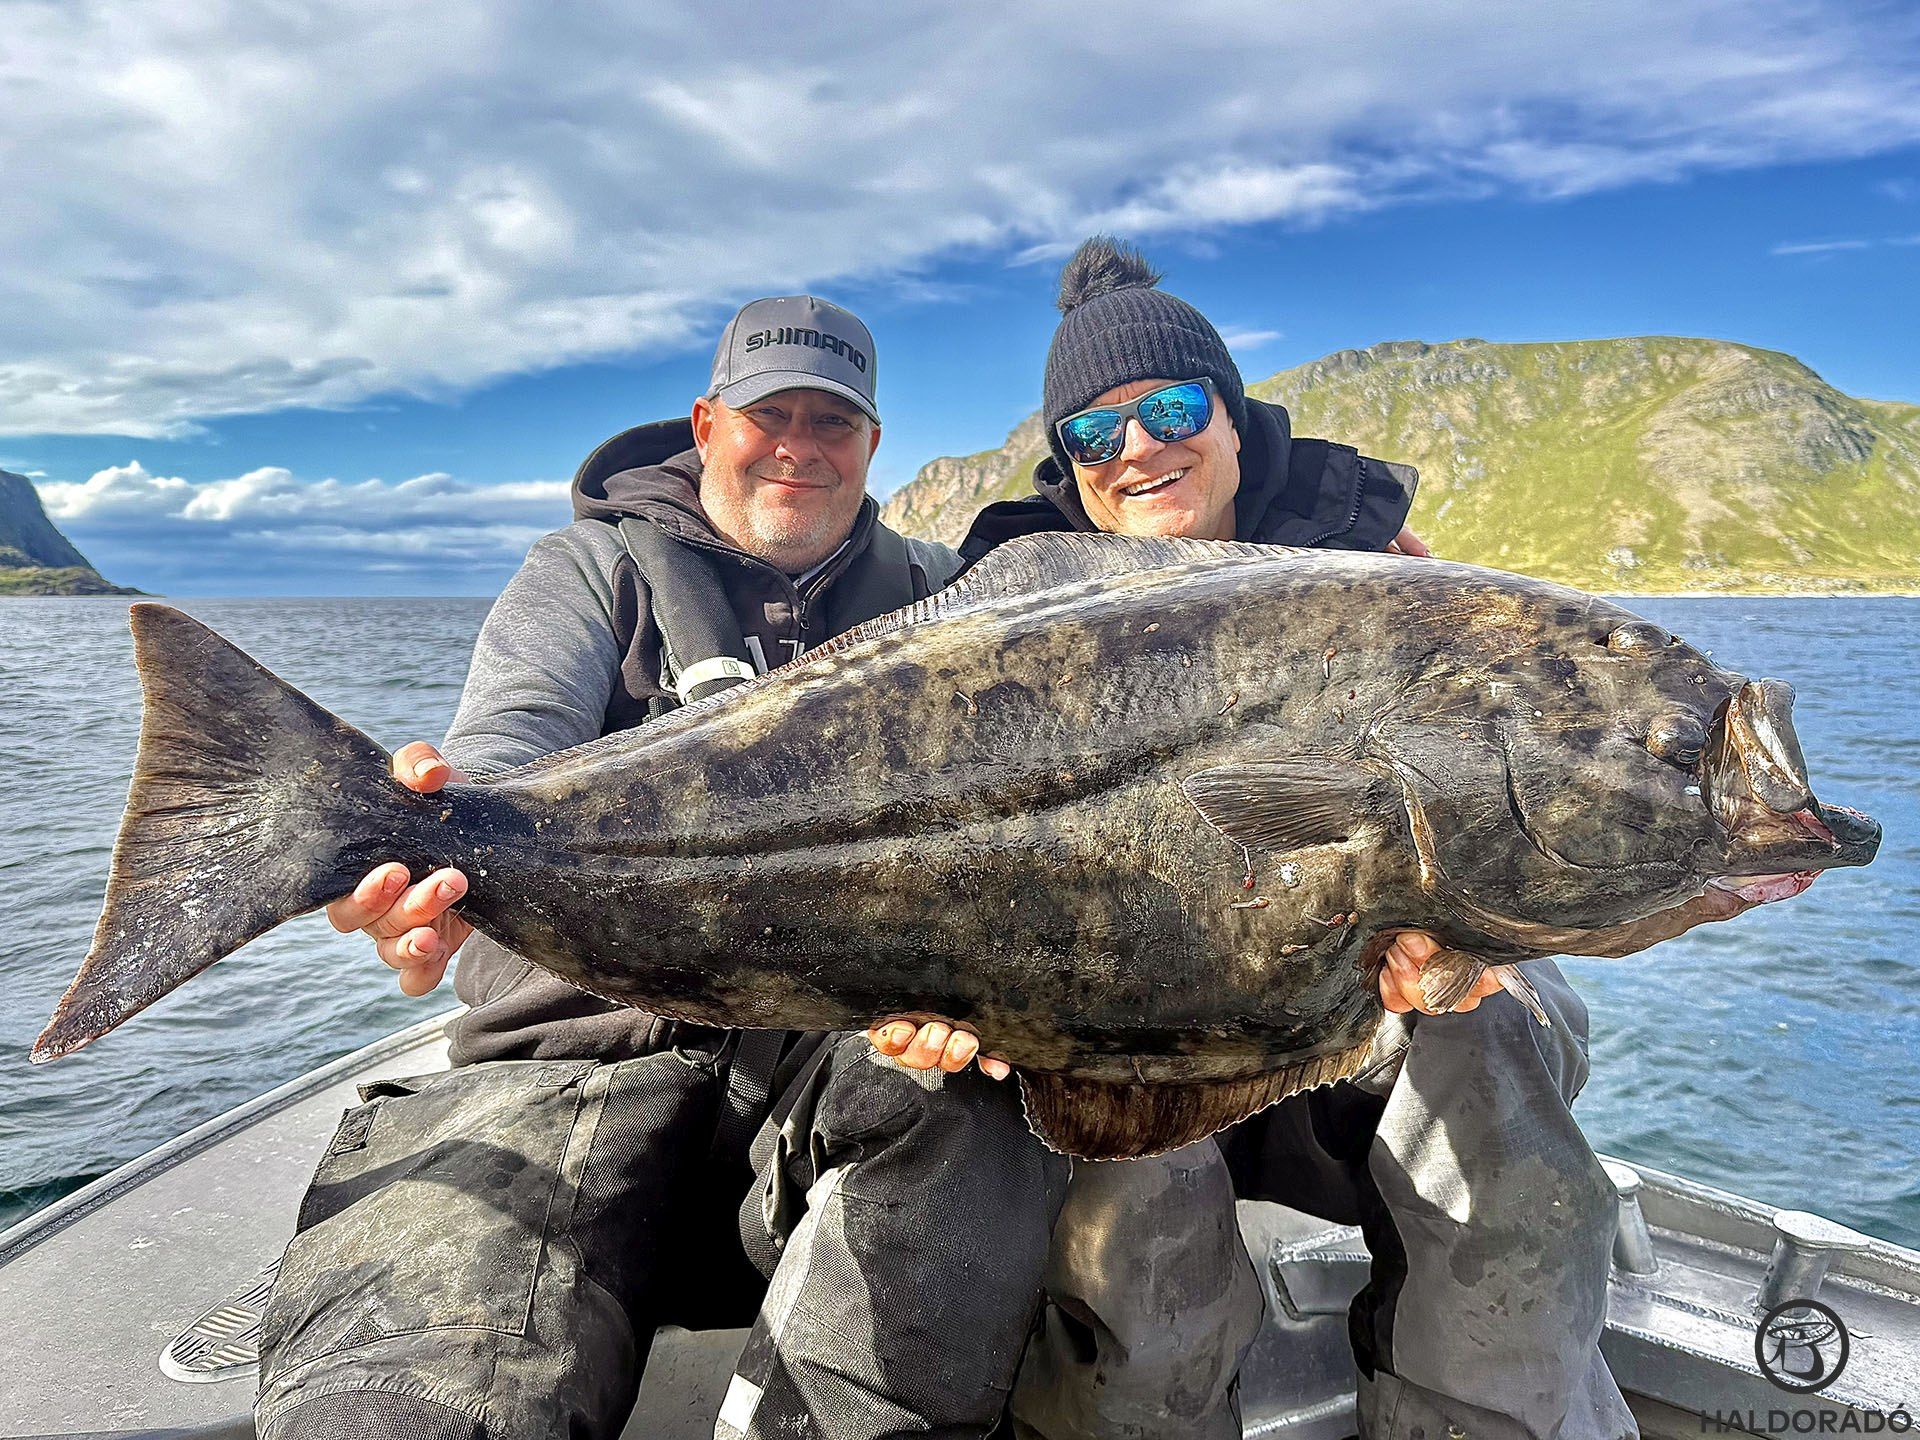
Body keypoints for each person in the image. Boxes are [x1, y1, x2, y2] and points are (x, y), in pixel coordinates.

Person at [253, 296, 1073, 1440]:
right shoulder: (589, 572)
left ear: (874, 442)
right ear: (705, 423)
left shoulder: (947, 594)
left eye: (833, 421)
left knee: (985, 1104)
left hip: (830, 1071)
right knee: (405, 1403)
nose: (798, 446)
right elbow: (509, 741)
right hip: (565, 1065)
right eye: (769, 414)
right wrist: (436, 850)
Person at [935, 236, 1633, 1440]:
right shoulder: (1004, 620)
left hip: (1357, 995)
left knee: (1503, 1033)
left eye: (1169, 409)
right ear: (1069, 468)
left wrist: (1451, 941)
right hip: (1145, 1008)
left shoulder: (1387, 581)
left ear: (1232, 416)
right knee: (1122, 1168)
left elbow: (1506, 803)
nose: (1138, 447)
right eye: (1094, 433)